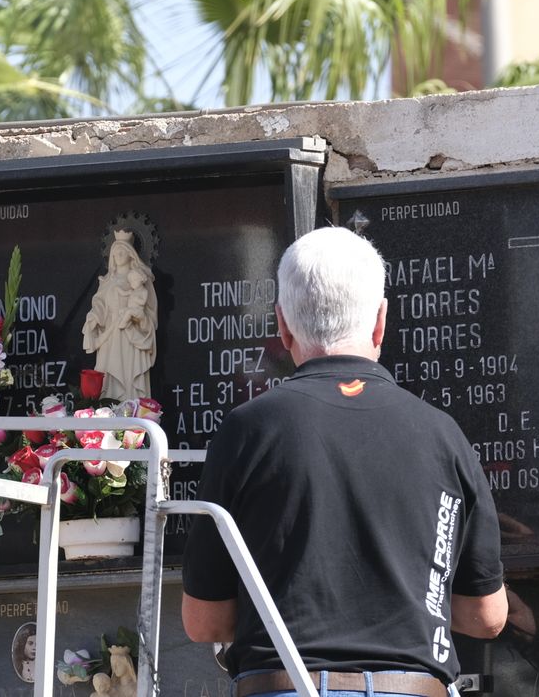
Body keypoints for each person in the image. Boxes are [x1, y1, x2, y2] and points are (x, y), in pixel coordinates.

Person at [182, 227, 508, 697]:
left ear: (282, 325)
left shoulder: (246, 430)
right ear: (380, 321)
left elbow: (204, 619)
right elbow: (487, 615)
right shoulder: (443, 434)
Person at [81, 230, 158, 401]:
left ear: (132, 255)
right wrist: (94, 317)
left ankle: (133, 412)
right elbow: (99, 304)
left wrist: (138, 317)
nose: (118, 255)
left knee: (129, 376)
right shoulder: (107, 281)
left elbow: (150, 314)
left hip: (131, 336)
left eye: (122, 251)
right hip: (110, 337)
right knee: (109, 376)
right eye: (115, 252)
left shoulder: (142, 280)